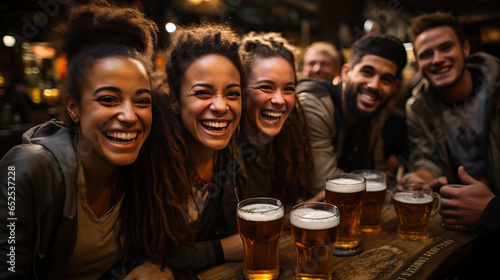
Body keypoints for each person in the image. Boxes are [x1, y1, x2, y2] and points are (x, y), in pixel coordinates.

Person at [0, 2, 191, 279]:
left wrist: (145, 265)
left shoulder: (143, 168)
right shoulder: (25, 170)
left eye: (142, 101)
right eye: (108, 99)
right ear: (74, 107)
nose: (129, 115)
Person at [161, 24, 246, 273]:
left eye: (232, 94)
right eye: (203, 93)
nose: (220, 106)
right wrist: (221, 250)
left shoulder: (230, 156)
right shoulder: (152, 157)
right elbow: (145, 259)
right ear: (174, 100)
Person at [405, 12, 500, 232]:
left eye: (446, 48)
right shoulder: (417, 107)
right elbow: (428, 157)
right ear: (418, 64)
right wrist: (421, 176)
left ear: (465, 49)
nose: (437, 59)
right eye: (427, 54)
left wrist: (491, 209)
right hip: (458, 222)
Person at [296, 34, 407, 196]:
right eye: (367, 72)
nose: (374, 85)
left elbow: (376, 174)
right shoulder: (315, 104)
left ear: (394, 86)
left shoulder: (375, 111)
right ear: (346, 73)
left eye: (386, 79)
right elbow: (327, 186)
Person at [237, 32, 317, 214]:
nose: (280, 100)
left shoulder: (289, 139)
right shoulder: (221, 149)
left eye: (288, 89)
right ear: (240, 89)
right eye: (266, 87)